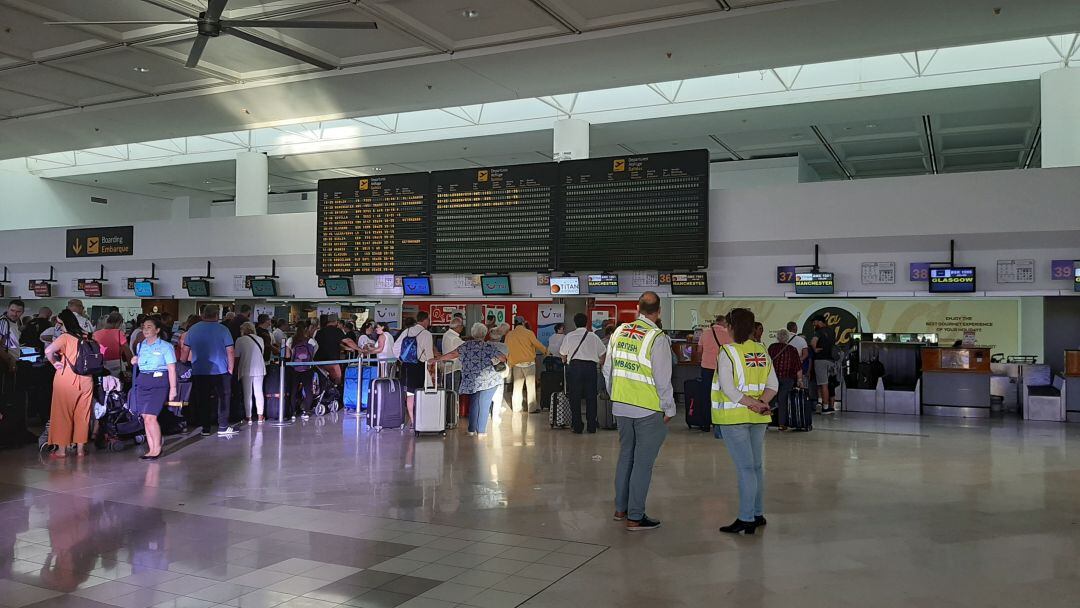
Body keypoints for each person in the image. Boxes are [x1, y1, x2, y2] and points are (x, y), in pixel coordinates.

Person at [602, 292, 674, 531]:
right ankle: (635, 516)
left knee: (625, 457)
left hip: (621, 407)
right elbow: (663, 380)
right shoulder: (657, 337)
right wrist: (669, 407)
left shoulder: (619, 332)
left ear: (637, 308)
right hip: (648, 410)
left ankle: (620, 509)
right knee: (643, 463)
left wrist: (615, 396)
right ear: (659, 311)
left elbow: (607, 370)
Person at [712, 308, 778, 535]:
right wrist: (761, 403)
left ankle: (746, 518)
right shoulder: (761, 350)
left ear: (730, 327)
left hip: (735, 417)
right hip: (759, 418)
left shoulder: (727, 352)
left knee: (745, 469)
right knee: (757, 467)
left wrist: (751, 404)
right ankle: (758, 513)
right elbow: (773, 386)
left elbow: (729, 390)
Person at [430, 323, 506, 436]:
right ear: (485, 334)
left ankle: (471, 430)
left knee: (474, 403)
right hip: (489, 380)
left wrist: (436, 359)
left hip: (472, 380)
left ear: (472, 333)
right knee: (484, 404)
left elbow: (452, 355)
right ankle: (481, 431)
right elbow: (503, 358)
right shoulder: (489, 347)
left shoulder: (466, 346)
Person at [43, 310, 95, 457]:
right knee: (83, 415)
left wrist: (54, 363)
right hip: (86, 378)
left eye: (58, 323)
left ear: (62, 323)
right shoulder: (86, 335)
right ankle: (80, 450)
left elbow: (48, 350)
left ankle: (61, 450)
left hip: (66, 378)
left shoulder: (65, 337)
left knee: (62, 414)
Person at [180, 305, 237, 437]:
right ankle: (223, 426)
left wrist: (183, 362)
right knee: (223, 398)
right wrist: (231, 368)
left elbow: (185, 350)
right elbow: (230, 350)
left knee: (203, 399)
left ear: (202, 315)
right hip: (221, 370)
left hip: (199, 369)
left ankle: (205, 428)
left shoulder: (193, 329)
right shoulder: (223, 329)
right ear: (217, 315)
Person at [129, 317, 177, 461]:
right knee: (145, 417)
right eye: (144, 327)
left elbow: (172, 368)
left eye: (149, 327)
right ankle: (151, 448)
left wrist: (173, 388)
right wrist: (134, 360)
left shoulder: (166, 347)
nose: (145, 330)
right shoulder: (140, 345)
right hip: (143, 380)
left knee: (151, 417)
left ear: (157, 330)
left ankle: (157, 449)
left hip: (159, 381)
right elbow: (139, 361)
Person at [561, 313, 607, 434]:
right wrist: (600, 365)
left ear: (575, 323)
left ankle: (577, 426)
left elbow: (563, 353)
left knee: (575, 397)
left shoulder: (569, 336)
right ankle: (591, 426)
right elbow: (603, 353)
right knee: (591, 397)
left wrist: (565, 360)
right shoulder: (593, 337)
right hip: (591, 368)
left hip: (575, 368)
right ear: (587, 322)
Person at [393, 312, 437, 426]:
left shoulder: (407, 331)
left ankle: (412, 421)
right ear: (425, 320)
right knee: (420, 393)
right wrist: (432, 364)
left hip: (406, 366)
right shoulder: (426, 334)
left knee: (410, 394)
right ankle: (420, 419)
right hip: (419, 367)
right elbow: (429, 356)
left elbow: (396, 347)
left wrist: (401, 358)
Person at [506, 316, 548, 413]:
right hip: (529, 363)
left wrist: (510, 361)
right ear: (523, 323)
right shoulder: (529, 333)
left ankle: (516, 408)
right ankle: (531, 408)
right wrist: (546, 351)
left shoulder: (509, 335)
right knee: (530, 386)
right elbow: (537, 344)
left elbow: (506, 348)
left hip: (516, 364)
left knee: (517, 387)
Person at [768, 329, 803, 430]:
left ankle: (766, 421)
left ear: (777, 337)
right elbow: (797, 366)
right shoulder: (792, 349)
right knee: (783, 401)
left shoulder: (772, 347)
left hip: (773, 378)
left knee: (770, 399)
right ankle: (782, 424)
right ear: (787, 338)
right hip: (787, 378)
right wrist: (800, 380)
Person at [286, 321, 318, 420]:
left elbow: (287, 356)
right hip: (307, 368)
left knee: (294, 390)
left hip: (294, 368)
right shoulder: (311, 341)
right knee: (308, 389)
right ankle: (306, 411)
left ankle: (293, 412)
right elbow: (314, 354)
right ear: (306, 329)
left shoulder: (290, 340)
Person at [313, 314, 357, 387]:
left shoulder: (319, 332)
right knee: (338, 378)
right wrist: (358, 349)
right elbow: (347, 341)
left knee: (322, 380)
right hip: (333, 360)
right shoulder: (337, 331)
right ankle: (335, 392)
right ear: (336, 321)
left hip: (319, 360)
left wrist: (347, 348)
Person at [235, 322, 266, 424]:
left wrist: (235, 370)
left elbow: (237, 357)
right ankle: (260, 416)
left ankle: (248, 417)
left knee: (247, 394)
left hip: (246, 368)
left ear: (243, 330)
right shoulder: (260, 339)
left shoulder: (240, 340)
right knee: (259, 392)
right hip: (259, 368)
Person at [698, 315, 731, 401]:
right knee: (720, 391)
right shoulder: (727, 333)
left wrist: (701, 360)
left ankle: (706, 411)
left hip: (706, 366)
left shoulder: (704, 332)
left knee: (706, 391)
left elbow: (699, 350)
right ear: (723, 322)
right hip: (721, 367)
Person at [810, 315, 836, 414]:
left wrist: (815, 349)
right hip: (831, 360)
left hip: (821, 360)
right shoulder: (832, 331)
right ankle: (831, 406)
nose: (813, 324)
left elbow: (813, 341)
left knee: (823, 384)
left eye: (814, 322)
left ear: (819, 321)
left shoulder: (819, 331)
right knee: (830, 383)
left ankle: (825, 407)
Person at [95, 313, 131, 378]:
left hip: (100, 365)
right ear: (118, 323)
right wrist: (131, 366)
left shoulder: (95, 334)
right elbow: (127, 352)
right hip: (116, 366)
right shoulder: (119, 333)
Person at [0, 299, 25, 377]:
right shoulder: (4, 322)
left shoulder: (13, 323)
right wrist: (11, 361)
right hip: (5, 362)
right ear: (8, 309)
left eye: (18, 312)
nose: (14, 314)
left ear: (22, 312)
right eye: (12, 310)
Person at [441, 318, 465, 392]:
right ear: (458, 326)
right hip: (454, 369)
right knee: (454, 394)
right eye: (461, 326)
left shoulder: (446, 334)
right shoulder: (455, 339)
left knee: (447, 393)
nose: (462, 327)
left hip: (446, 368)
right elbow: (465, 349)